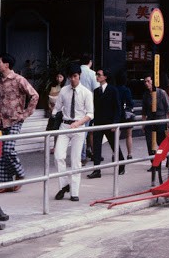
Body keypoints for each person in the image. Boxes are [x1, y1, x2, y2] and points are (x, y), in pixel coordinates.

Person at [52, 64, 94, 201]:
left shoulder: (86, 93)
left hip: (78, 127)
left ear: (79, 75)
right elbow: (57, 108)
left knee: (76, 160)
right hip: (64, 126)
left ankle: (74, 191)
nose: (73, 80)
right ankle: (64, 186)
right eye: (71, 77)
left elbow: (90, 114)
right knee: (58, 156)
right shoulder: (64, 91)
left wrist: (78, 123)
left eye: (75, 76)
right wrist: (53, 116)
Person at [0, 53, 39, 193]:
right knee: (1, 154)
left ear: (6, 64)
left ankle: (20, 174)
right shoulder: (0, 81)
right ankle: (5, 183)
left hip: (15, 120)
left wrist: (26, 113)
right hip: (1, 122)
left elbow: (34, 95)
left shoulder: (18, 79)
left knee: (8, 150)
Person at [87, 69, 126, 179]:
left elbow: (118, 108)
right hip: (99, 122)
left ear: (105, 77)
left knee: (114, 145)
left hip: (110, 123)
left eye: (99, 75)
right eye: (97, 75)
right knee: (96, 146)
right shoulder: (96, 91)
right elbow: (95, 108)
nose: (97, 76)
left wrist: (115, 123)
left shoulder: (113, 90)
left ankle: (122, 164)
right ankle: (96, 170)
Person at [141, 75, 169, 160]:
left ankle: (165, 158)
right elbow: (144, 111)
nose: (147, 84)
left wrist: (168, 123)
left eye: (148, 81)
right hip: (150, 121)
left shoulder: (161, 93)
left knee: (161, 142)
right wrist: (143, 124)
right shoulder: (146, 95)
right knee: (150, 143)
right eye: (145, 82)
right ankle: (153, 162)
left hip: (161, 121)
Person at [115, 71, 134, 161]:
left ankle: (115, 153)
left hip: (117, 115)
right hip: (126, 115)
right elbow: (130, 103)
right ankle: (129, 154)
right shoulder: (126, 90)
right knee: (129, 135)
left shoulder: (114, 89)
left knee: (116, 136)